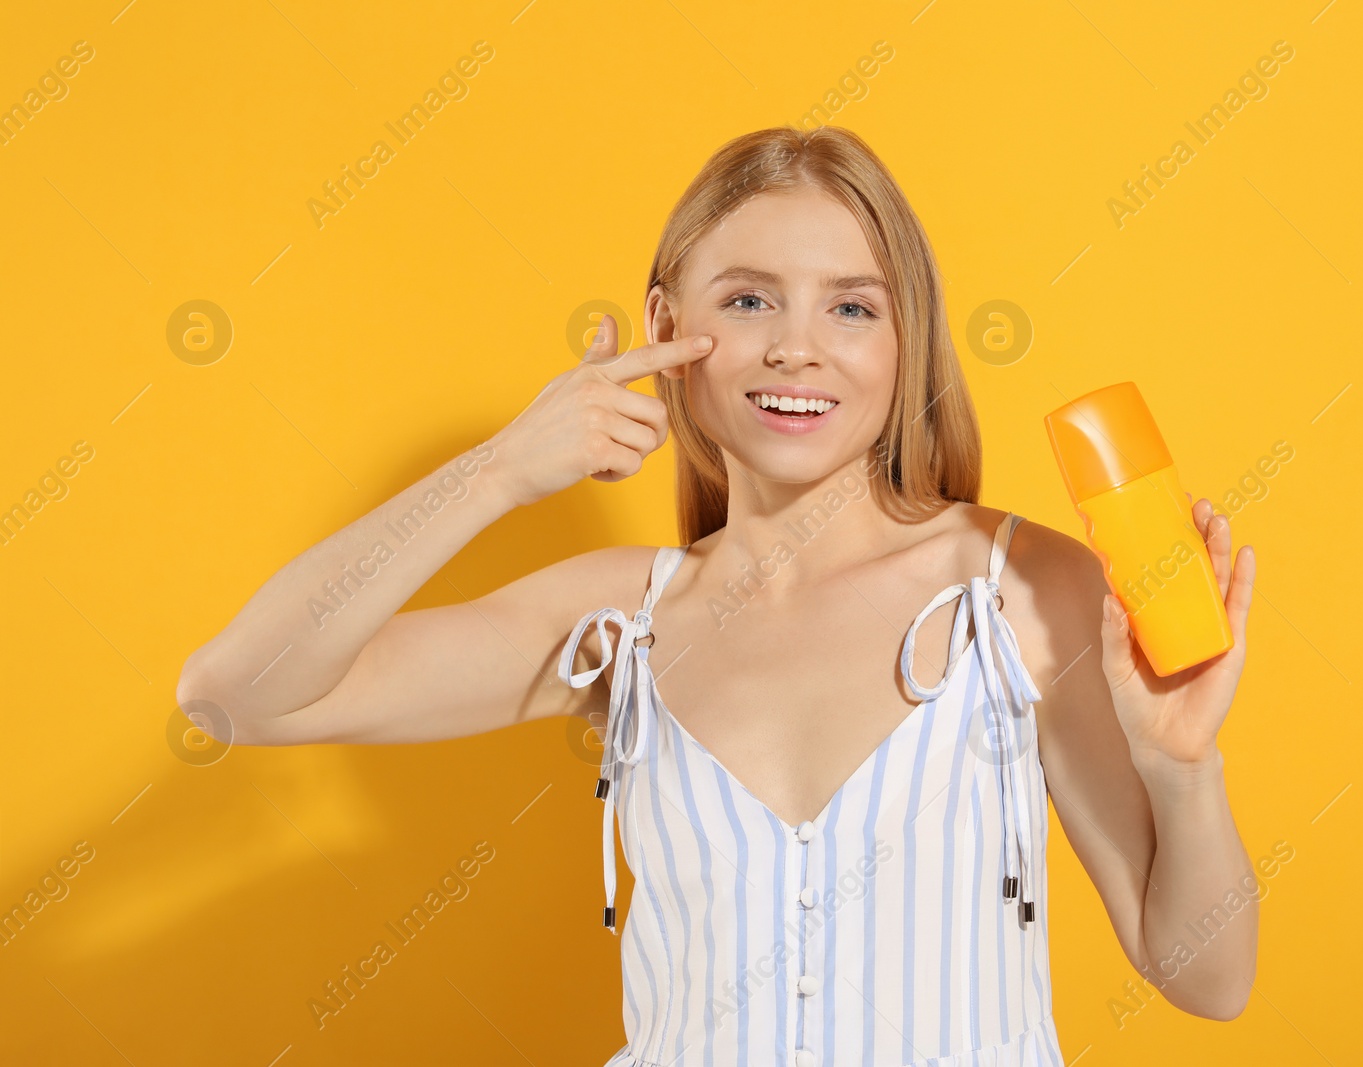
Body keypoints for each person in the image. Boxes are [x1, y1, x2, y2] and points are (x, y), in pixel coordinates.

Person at [177, 125, 1258, 1065]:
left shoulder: (1022, 587)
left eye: (850, 307)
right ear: (666, 320)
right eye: (747, 299)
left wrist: (1179, 766)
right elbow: (239, 693)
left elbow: (1206, 978)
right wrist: (496, 471)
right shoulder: (618, 623)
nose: (797, 346)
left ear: (903, 337)